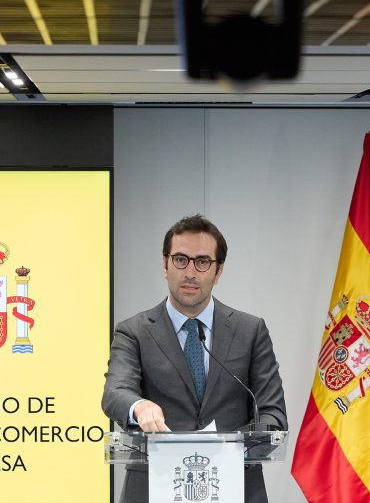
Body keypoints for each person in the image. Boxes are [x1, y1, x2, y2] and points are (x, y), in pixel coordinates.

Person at [102, 214, 287, 503]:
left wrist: (229, 446)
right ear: (165, 265)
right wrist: (139, 406)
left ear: (219, 270)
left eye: (202, 262)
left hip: (236, 488)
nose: (190, 272)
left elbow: (273, 414)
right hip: (154, 488)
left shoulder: (250, 331)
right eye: (180, 260)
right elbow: (115, 392)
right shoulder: (133, 331)